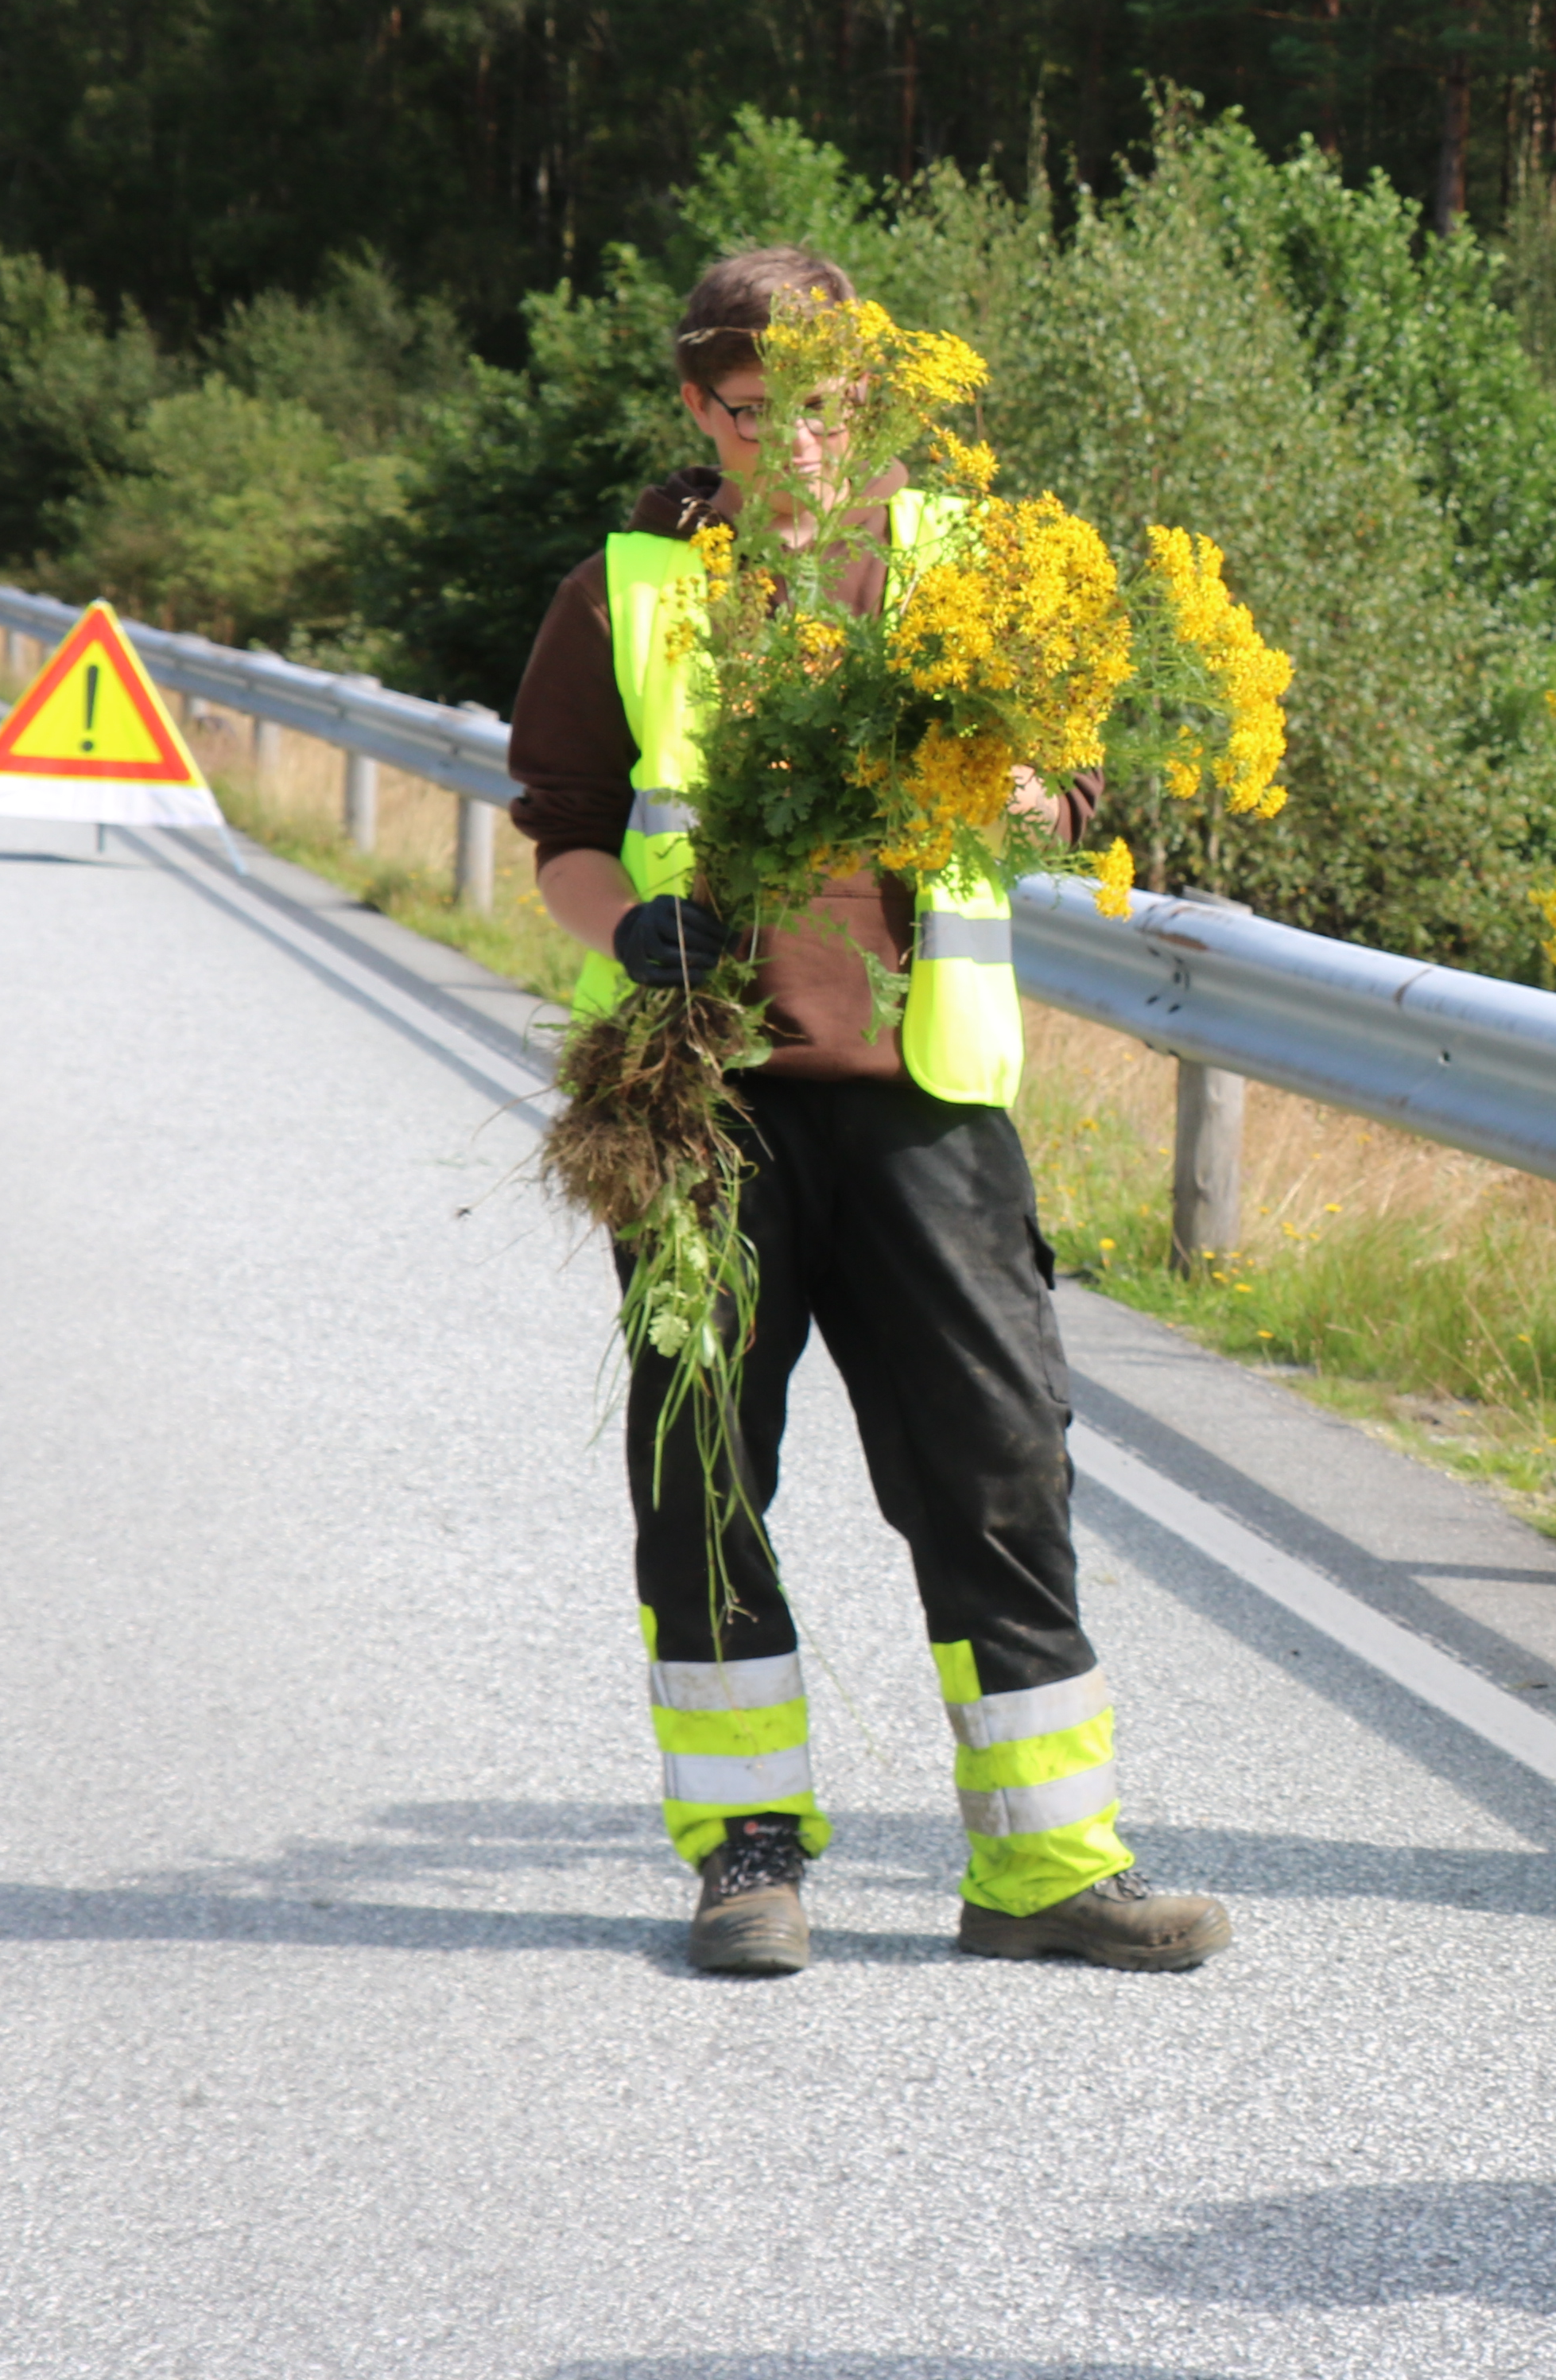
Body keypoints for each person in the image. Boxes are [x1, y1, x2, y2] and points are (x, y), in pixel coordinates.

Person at [508, 246, 1229, 1981]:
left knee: (1000, 1473)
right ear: (702, 405)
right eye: (758, 417)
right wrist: (631, 925)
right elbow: (562, 831)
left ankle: (1049, 1867)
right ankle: (746, 1854)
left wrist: (1042, 792)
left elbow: (1068, 775)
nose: (800, 452)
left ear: (877, 400)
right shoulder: (626, 587)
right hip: (701, 1106)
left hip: (929, 1098)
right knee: (704, 1476)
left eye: (829, 413)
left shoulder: (973, 568)